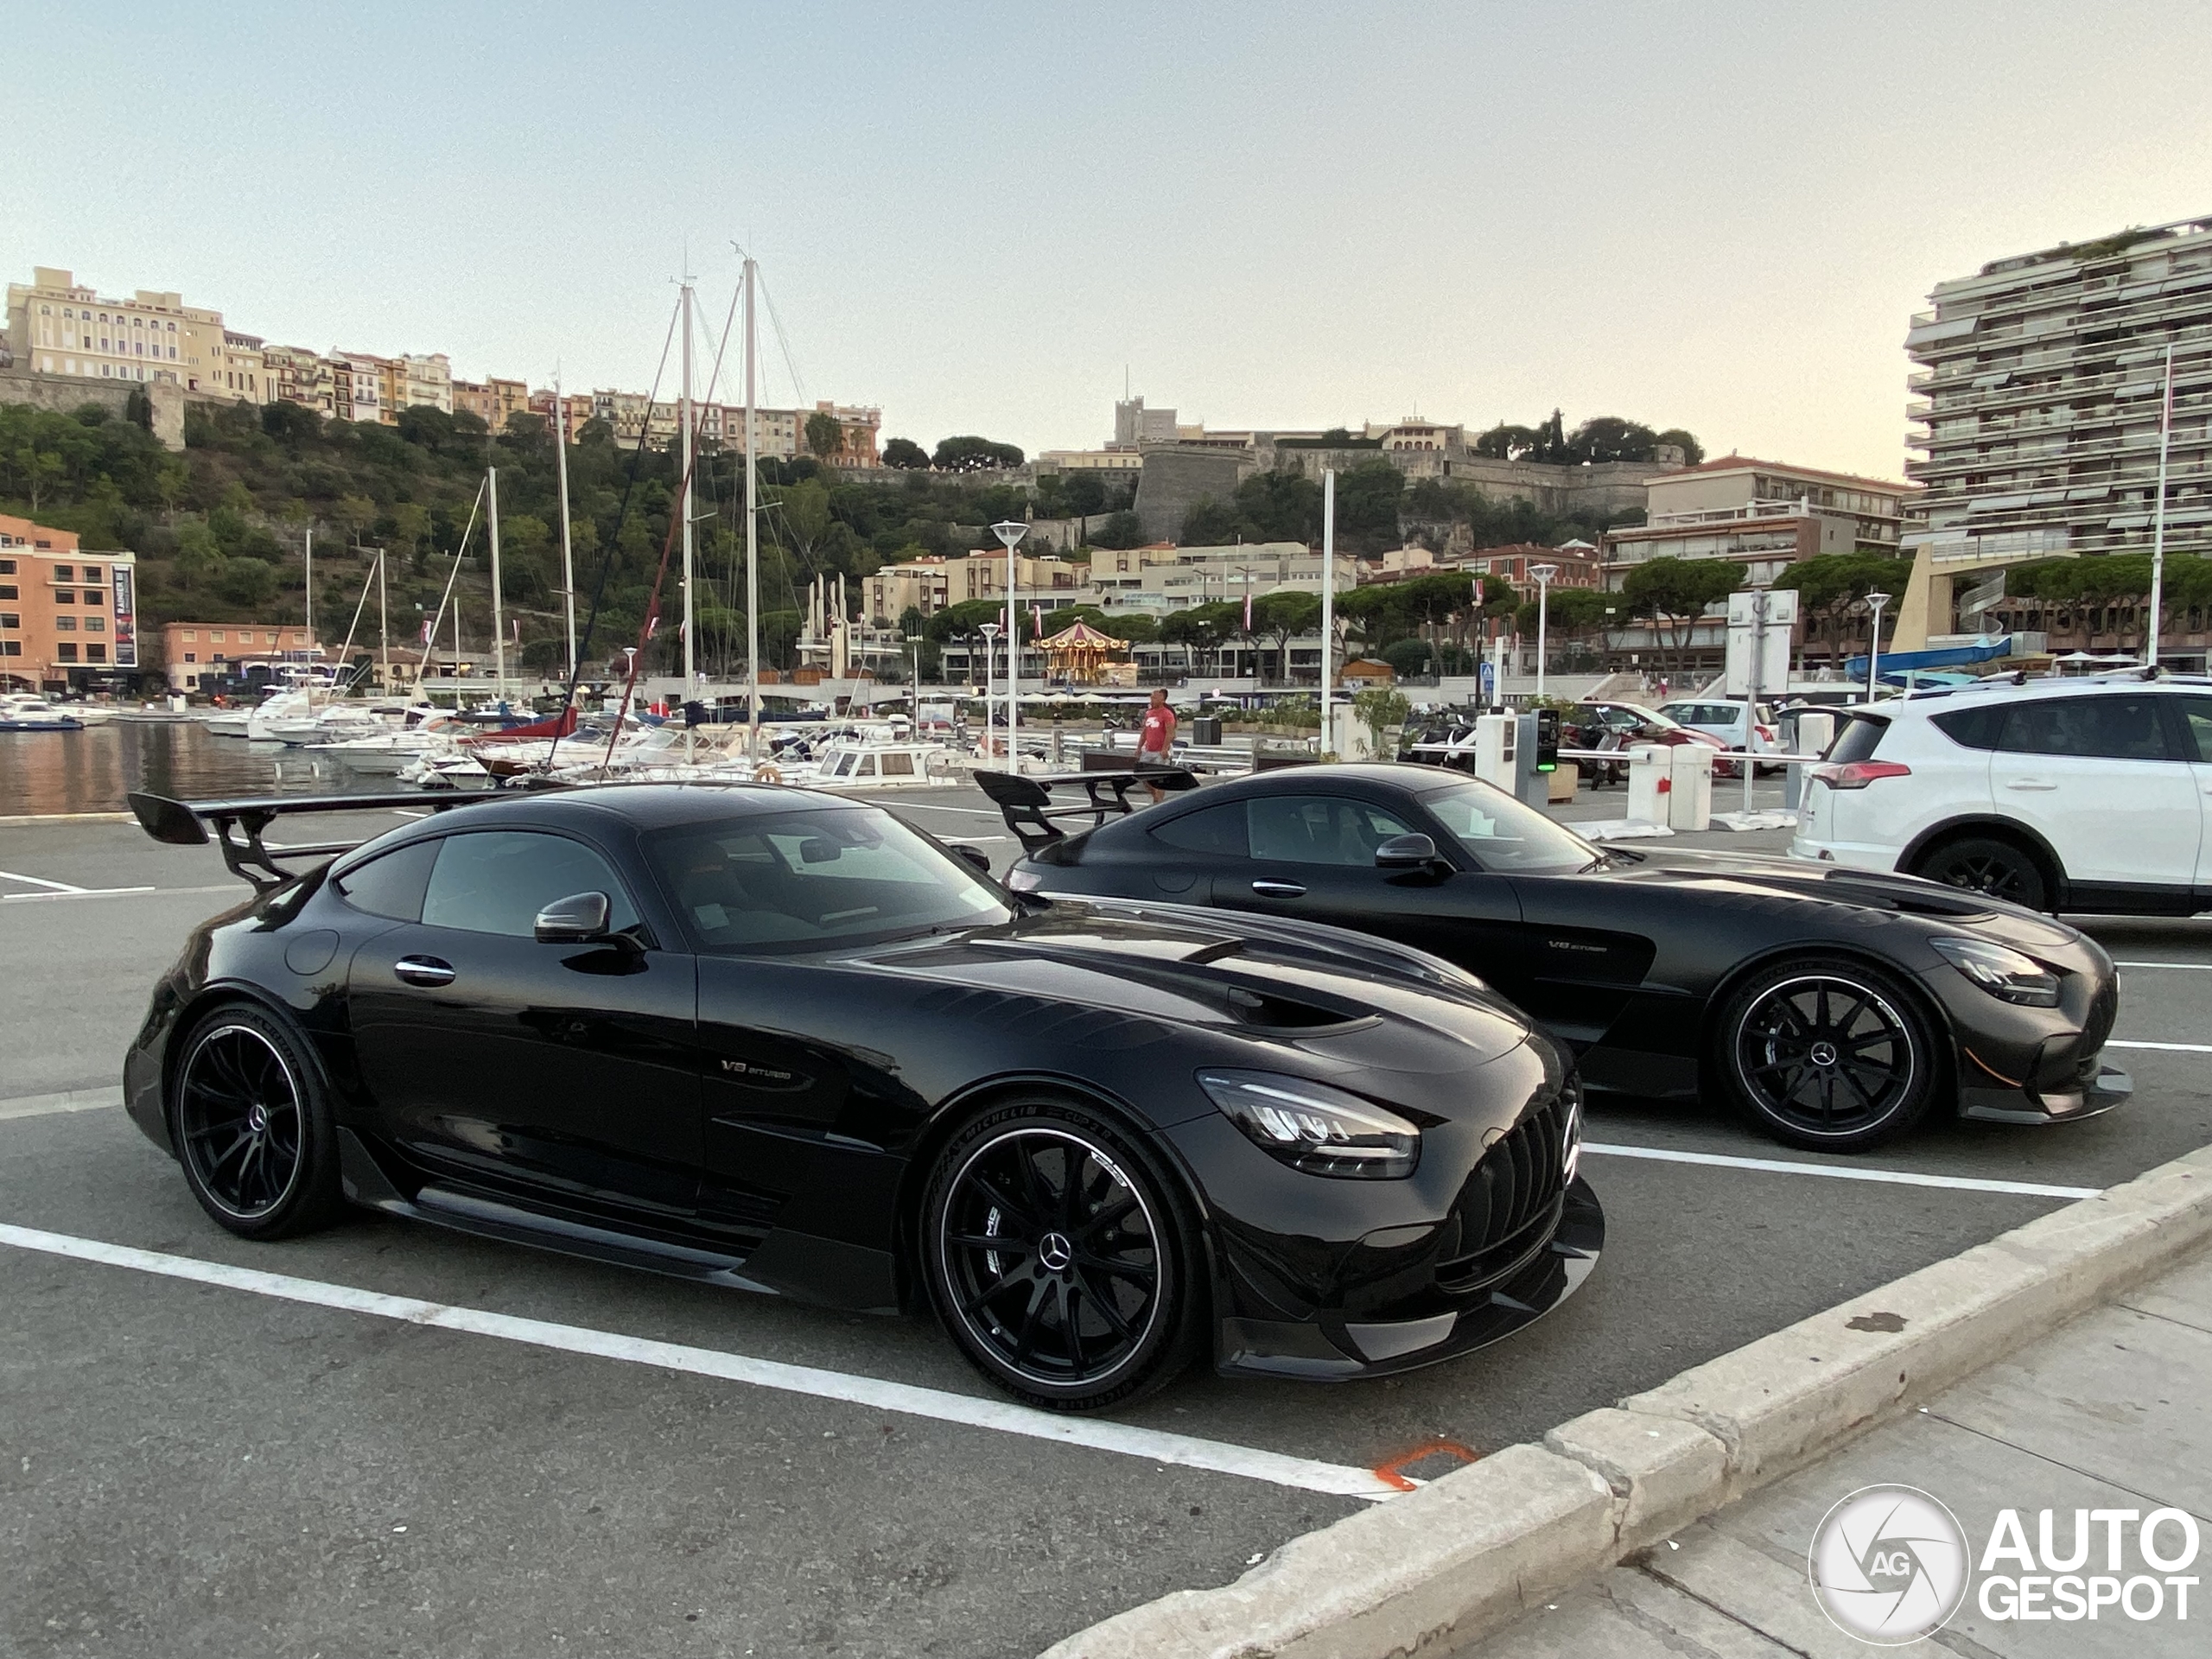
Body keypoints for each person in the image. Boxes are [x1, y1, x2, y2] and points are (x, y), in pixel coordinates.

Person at [1135, 688, 1177, 804]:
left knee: (1159, 778)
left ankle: (1158, 801)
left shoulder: (1167, 714)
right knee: (1144, 776)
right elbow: (1145, 732)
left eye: (1154, 697)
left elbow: (1170, 733)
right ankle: (1155, 796)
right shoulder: (1149, 713)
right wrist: (1139, 748)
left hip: (1160, 751)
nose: (1151, 699)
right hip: (1149, 749)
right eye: (1151, 697)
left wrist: (1165, 748)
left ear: (1162, 699)